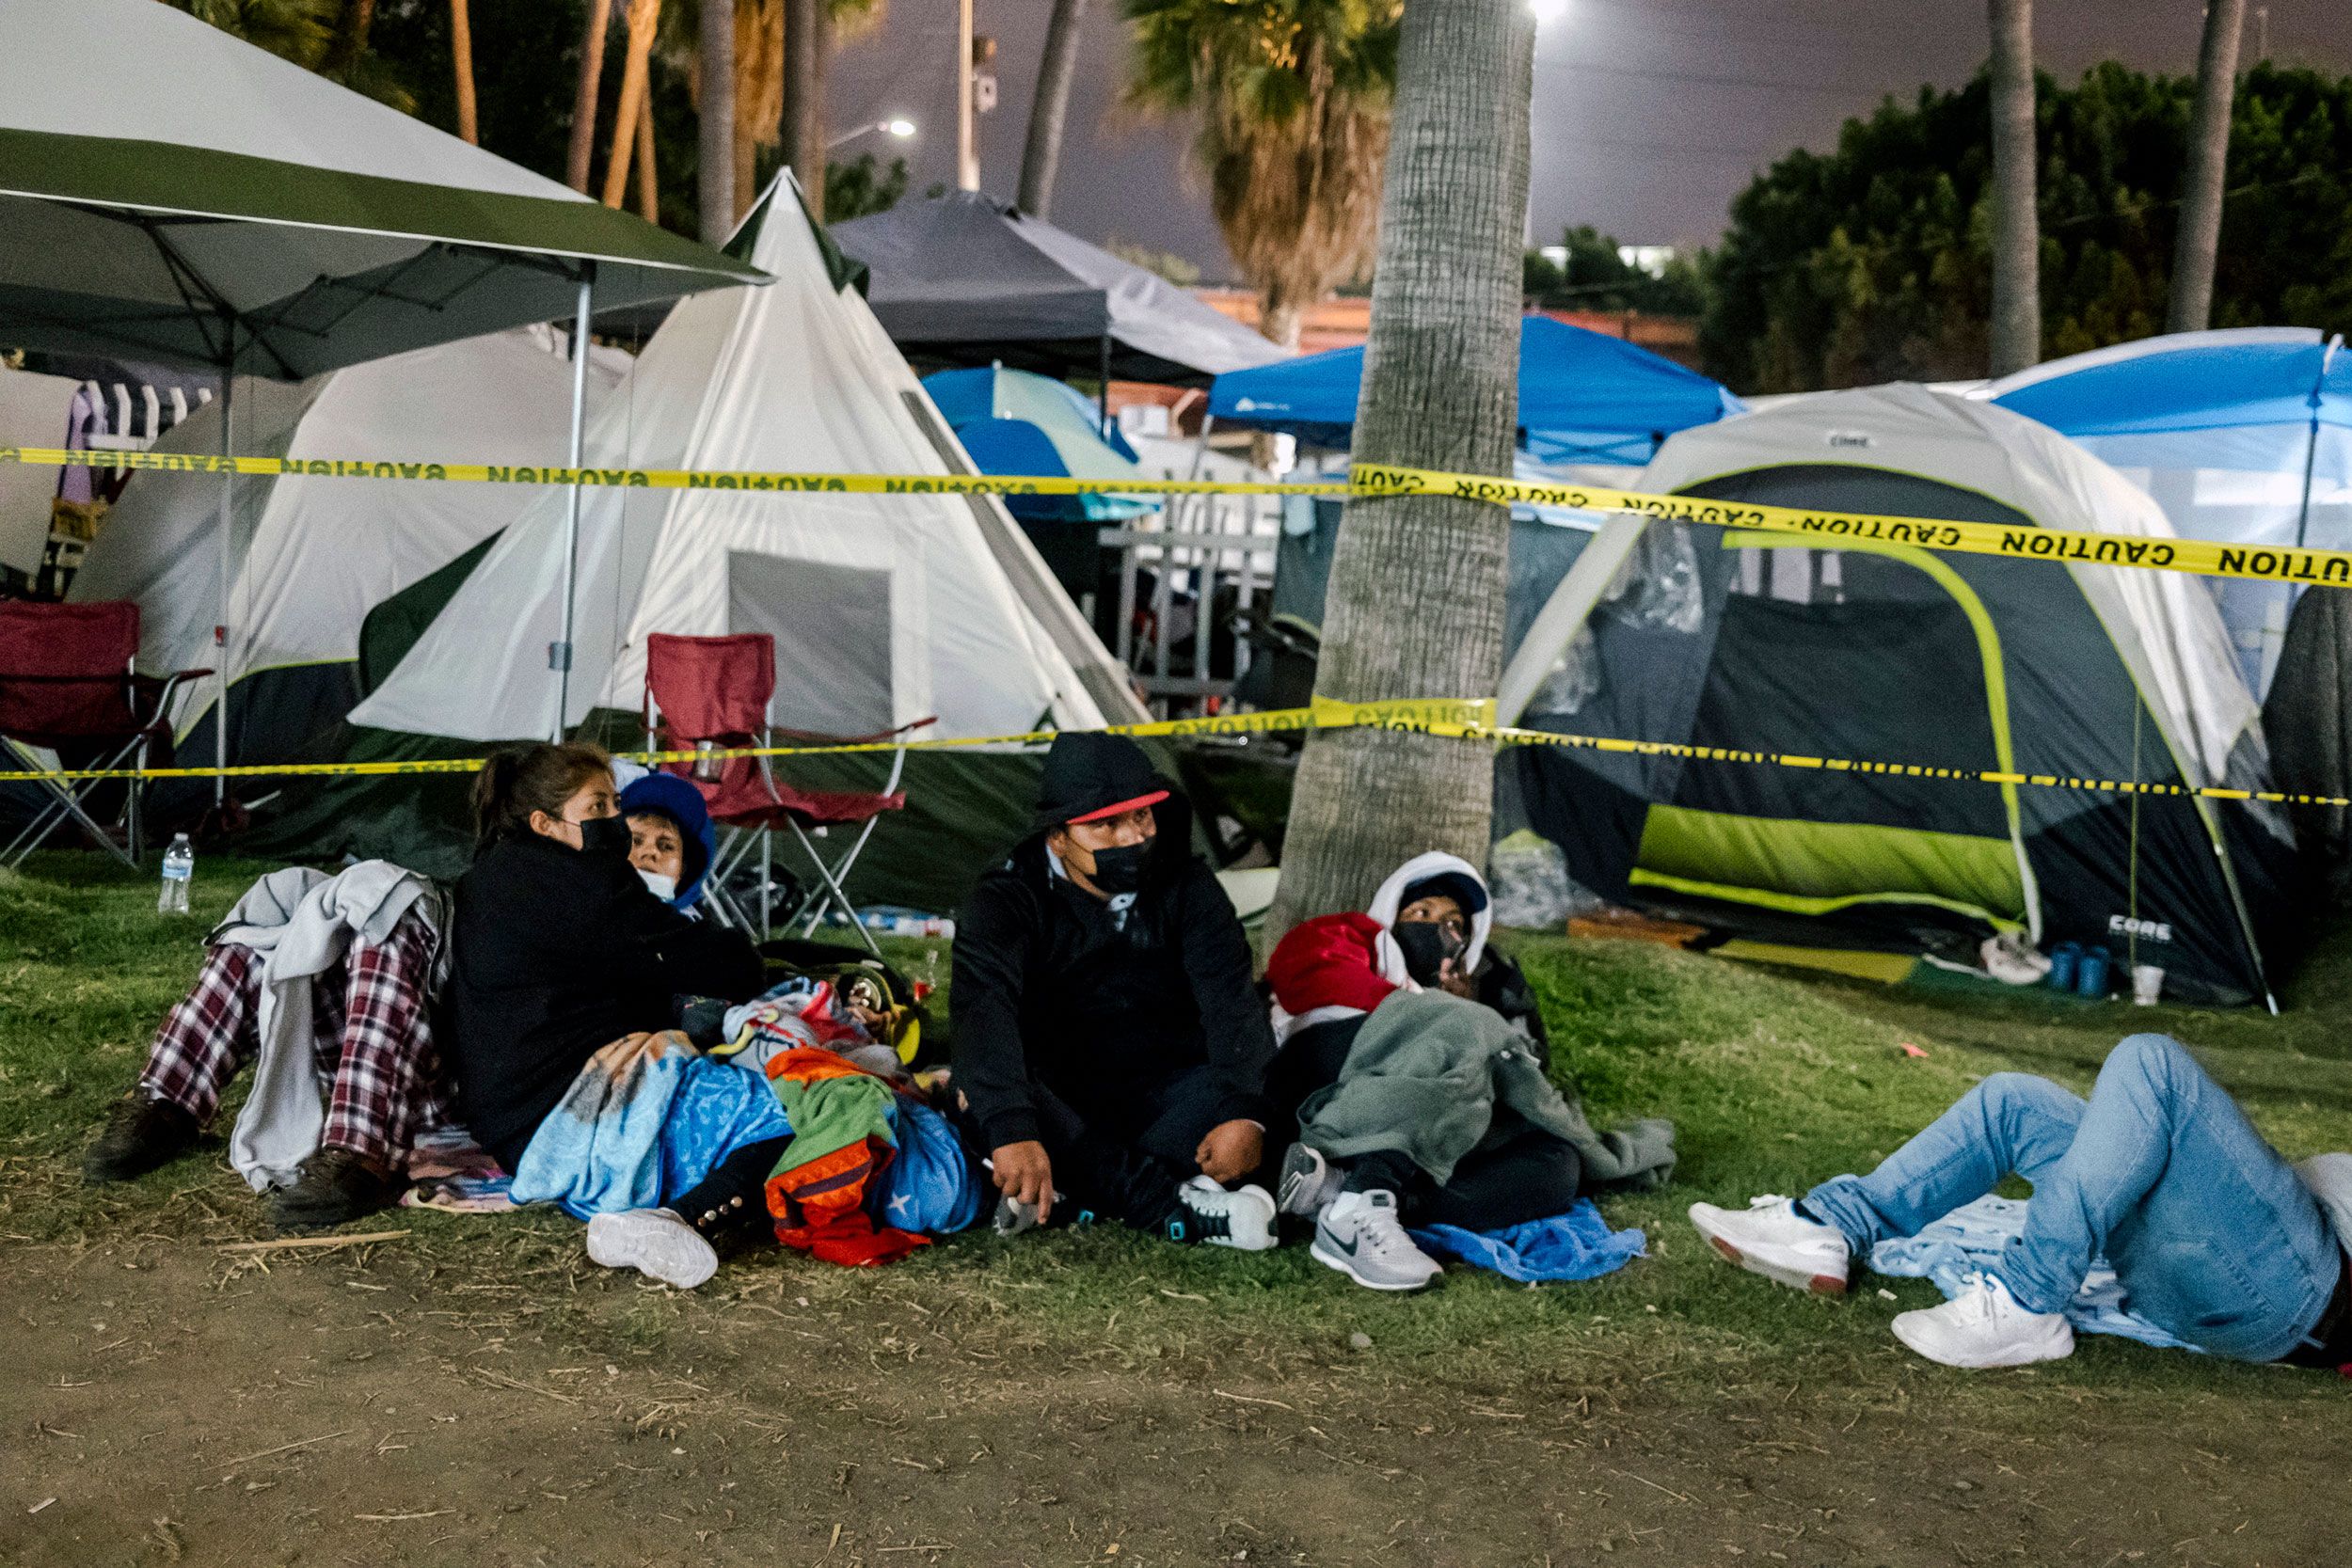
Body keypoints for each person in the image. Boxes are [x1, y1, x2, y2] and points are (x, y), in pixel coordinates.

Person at [1690, 1033, 2352, 1372]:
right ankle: (1834, 1224)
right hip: (2211, 1272)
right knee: (2015, 1104)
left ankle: (2029, 1302)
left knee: (2153, 1063)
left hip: (2297, 1293)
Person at [444, 742, 771, 1289]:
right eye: (598, 809)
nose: (616, 824)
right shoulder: (573, 884)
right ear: (546, 823)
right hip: (563, 1114)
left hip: (514, 1118)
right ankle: (671, 1221)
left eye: (615, 804)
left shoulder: (499, 874)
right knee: (794, 1108)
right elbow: (727, 966)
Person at [1263, 870, 1675, 1292]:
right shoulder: (1349, 935)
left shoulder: (1482, 991)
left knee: (1558, 1164)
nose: (1436, 929)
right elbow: (1323, 982)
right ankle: (1367, 1189)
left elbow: (1524, 1071)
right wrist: (1443, 1013)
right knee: (1470, 1032)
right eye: (1420, 912)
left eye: (1453, 923)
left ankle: (1348, 1200)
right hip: (1340, 1088)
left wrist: (1465, 1011)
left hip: (1440, 1134)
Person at [950, 731, 1280, 1251]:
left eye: (1141, 817)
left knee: (1269, 1093)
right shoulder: (1006, 899)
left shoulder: (1187, 884)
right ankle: (1163, 1202)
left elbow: (1230, 998)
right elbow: (982, 1010)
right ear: (1057, 837)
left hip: (1166, 1086)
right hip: (1064, 1097)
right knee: (983, 1090)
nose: (1131, 838)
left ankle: (1086, 1191)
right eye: (1106, 824)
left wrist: (1244, 1111)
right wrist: (1013, 1127)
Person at [84, 860, 452, 1232]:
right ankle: (166, 1102)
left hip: (442, 1069)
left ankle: (365, 1150)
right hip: (355, 1030)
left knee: (387, 912)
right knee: (276, 906)